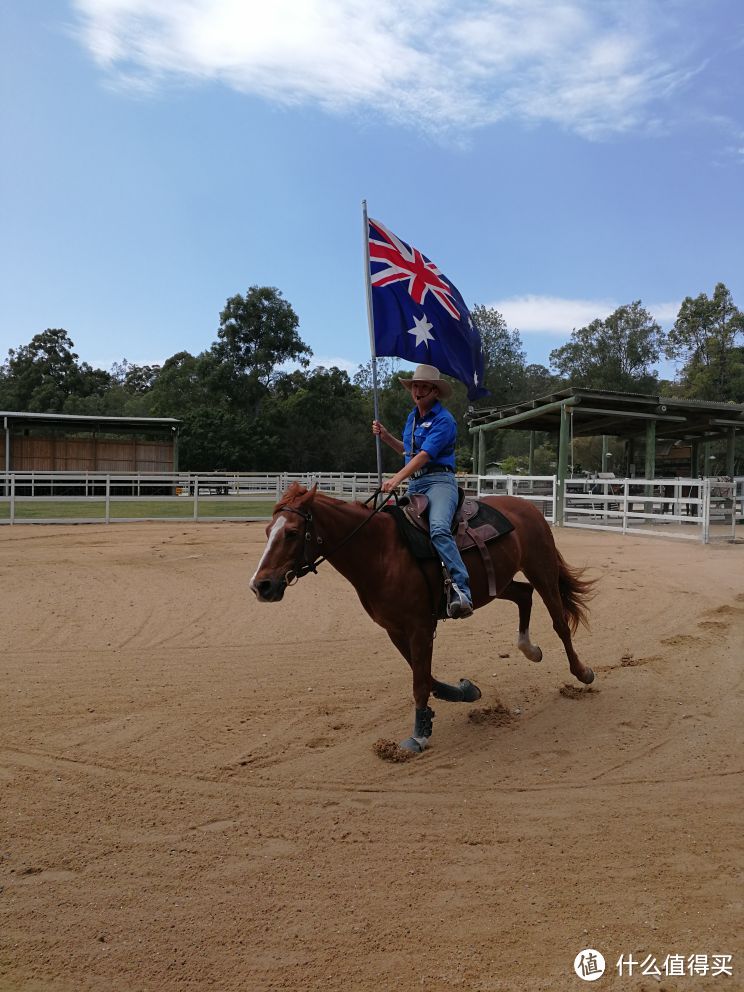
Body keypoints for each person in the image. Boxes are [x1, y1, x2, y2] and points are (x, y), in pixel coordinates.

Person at [372, 364, 473, 619]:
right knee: (386, 526)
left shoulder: (444, 420)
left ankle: (462, 589)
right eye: (415, 386)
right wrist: (386, 437)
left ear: (435, 392)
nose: (418, 390)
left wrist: (396, 478)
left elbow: (426, 456)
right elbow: (409, 453)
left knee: (438, 528)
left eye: (424, 387)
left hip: (439, 481)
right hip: (416, 483)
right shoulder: (412, 417)